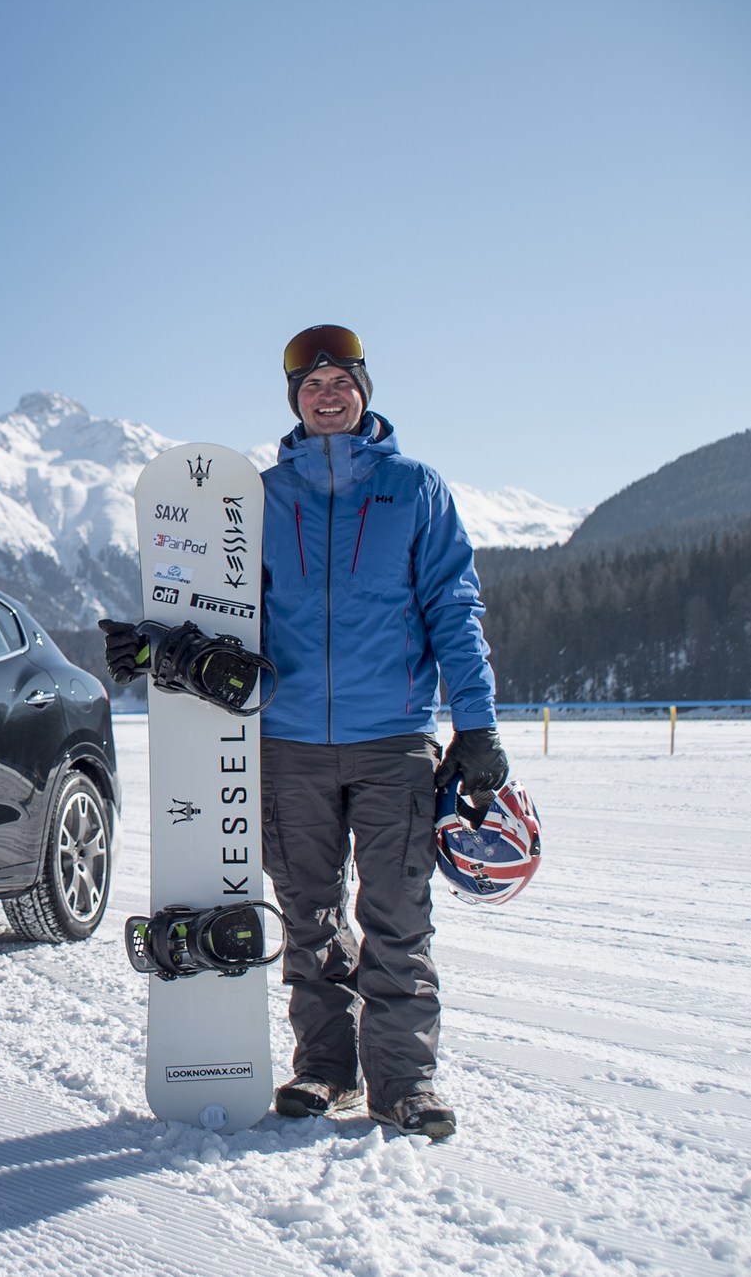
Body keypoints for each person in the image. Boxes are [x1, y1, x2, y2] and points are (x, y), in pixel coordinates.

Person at [104, 324, 507, 1140]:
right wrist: (155, 642)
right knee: (309, 917)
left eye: (341, 381)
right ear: (295, 401)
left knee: (399, 917)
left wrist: (478, 724)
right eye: (312, 384)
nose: (328, 394)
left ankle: (405, 1081)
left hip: (393, 738)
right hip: (285, 744)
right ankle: (326, 1070)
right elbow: (217, 607)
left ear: (364, 390)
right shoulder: (256, 497)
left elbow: (455, 610)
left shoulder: (415, 490)